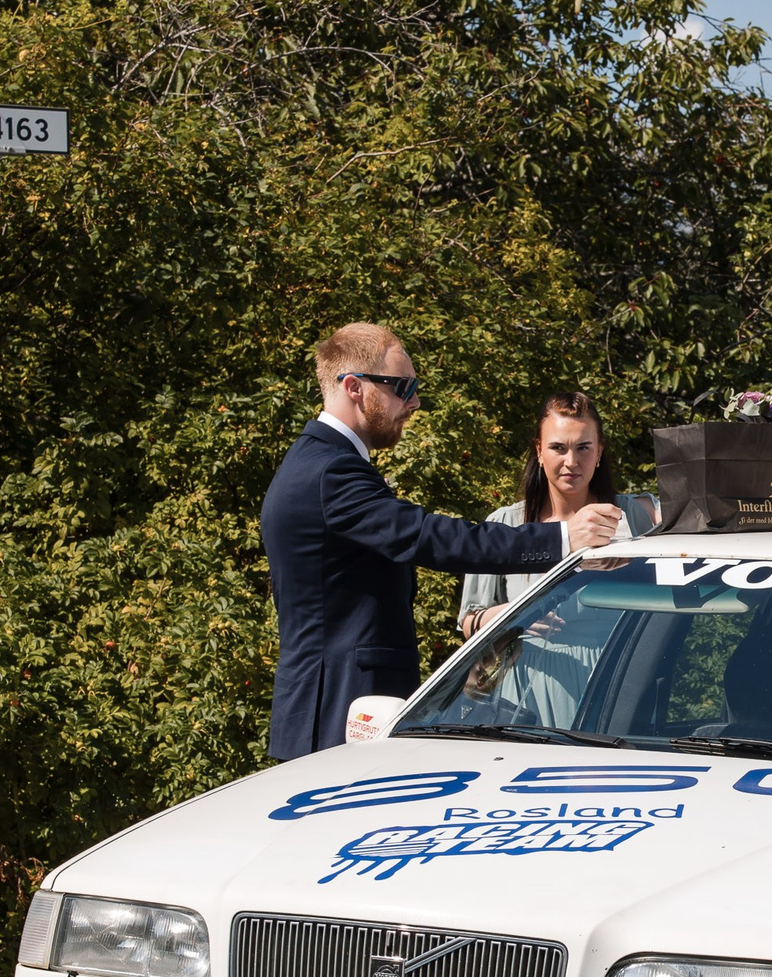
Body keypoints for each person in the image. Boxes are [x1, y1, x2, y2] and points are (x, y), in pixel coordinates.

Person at [260, 324, 621, 759]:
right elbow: (430, 538)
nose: (413, 402)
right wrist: (563, 537)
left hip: (336, 705)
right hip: (342, 707)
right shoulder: (330, 473)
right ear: (354, 387)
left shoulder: (318, 463)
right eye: (402, 387)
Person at [457, 391, 657, 638]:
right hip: (527, 672)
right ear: (539, 451)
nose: (571, 461)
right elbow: (468, 623)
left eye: (583, 448)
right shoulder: (505, 524)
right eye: (558, 448)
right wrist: (513, 615)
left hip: (618, 674)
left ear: (600, 452)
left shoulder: (631, 515)